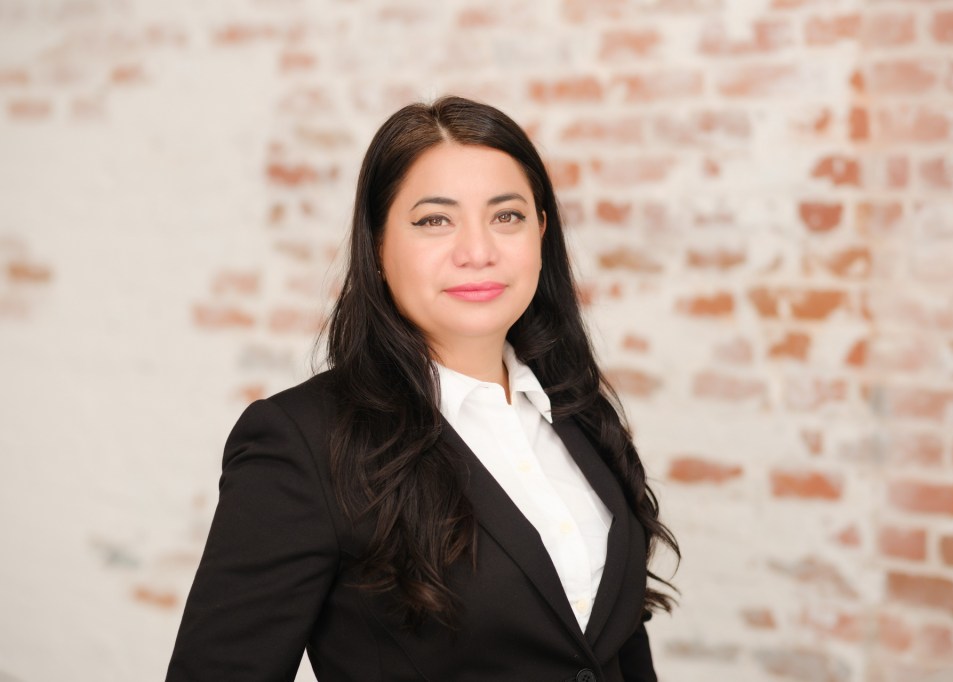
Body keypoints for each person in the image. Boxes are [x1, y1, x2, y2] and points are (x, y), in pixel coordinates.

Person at [166, 95, 678, 682]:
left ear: (542, 230)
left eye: (506, 215)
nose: (478, 252)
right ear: (378, 246)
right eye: (435, 219)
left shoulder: (578, 408)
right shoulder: (302, 443)